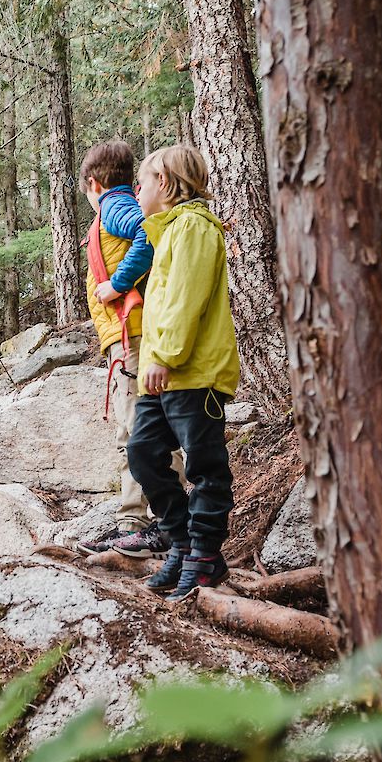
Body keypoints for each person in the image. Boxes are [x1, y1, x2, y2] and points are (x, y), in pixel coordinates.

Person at [124, 146, 242, 600]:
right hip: (165, 373)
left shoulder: (193, 226)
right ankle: (181, 541)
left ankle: (206, 554)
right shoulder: (170, 231)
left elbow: (185, 300)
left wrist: (164, 356)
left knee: (204, 465)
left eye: (144, 180)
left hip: (191, 372)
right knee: (143, 452)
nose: (138, 190)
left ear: (167, 184)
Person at [70, 140, 173, 561]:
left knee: (144, 429)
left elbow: (146, 238)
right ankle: (133, 522)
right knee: (132, 431)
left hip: (133, 336)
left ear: (93, 184)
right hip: (123, 339)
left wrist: (116, 283)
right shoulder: (118, 203)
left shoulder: (115, 206)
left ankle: (165, 521)